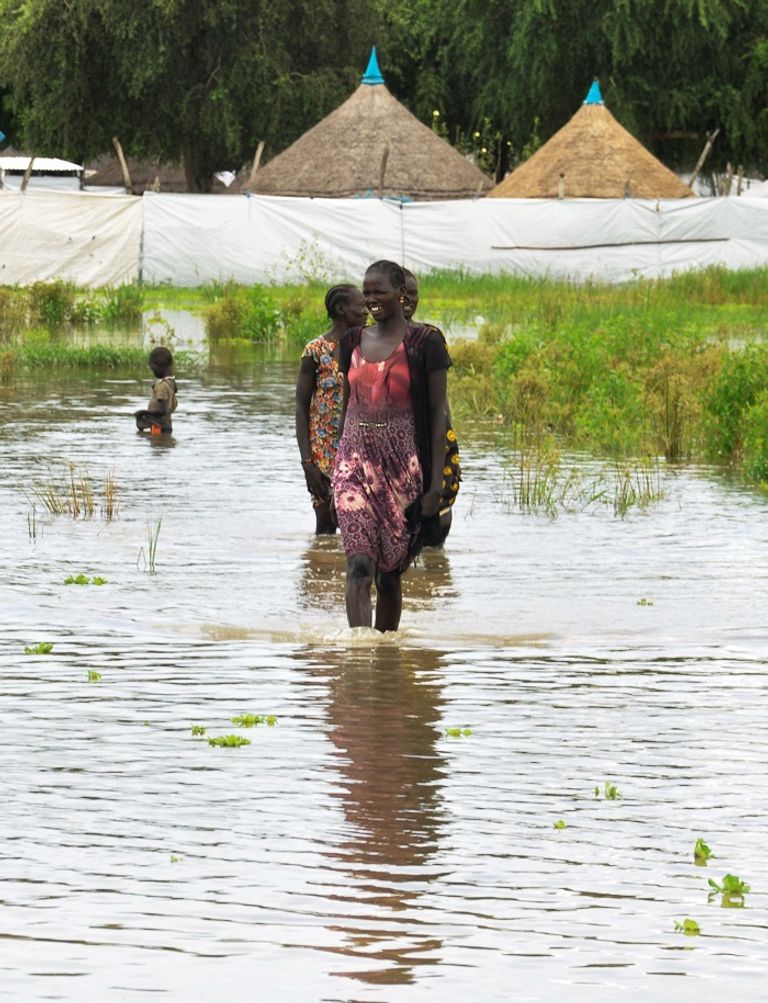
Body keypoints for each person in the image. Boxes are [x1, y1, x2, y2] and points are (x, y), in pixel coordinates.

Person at [332, 260, 450, 631]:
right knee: (360, 565)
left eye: (378, 291)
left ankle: (384, 654)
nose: (371, 299)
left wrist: (435, 487)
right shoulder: (351, 341)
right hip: (353, 466)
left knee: (389, 574)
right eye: (366, 292)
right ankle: (360, 653)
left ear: (401, 293)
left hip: (403, 471)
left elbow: (436, 417)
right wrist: (333, 466)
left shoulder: (425, 342)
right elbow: (345, 405)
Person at [295, 284, 367, 533]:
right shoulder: (315, 351)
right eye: (361, 306)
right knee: (325, 529)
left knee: (357, 524)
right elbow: (301, 408)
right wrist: (307, 463)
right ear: (340, 309)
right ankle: (322, 570)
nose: (367, 310)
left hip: (360, 448)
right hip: (322, 454)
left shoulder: (369, 348)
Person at [402, 268, 461, 546]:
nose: (408, 300)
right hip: (390, 440)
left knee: (439, 513)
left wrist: (447, 440)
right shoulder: (366, 341)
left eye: (413, 294)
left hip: (432, 435)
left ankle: (436, 578)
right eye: (402, 293)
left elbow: (440, 403)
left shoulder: (429, 338)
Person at [134, 346, 177, 434]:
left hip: (158, 426)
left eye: (152, 368)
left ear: (159, 366)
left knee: (157, 445)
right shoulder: (171, 383)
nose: (153, 372)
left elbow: (162, 410)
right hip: (166, 425)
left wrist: (144, 413)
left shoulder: (162, 386)